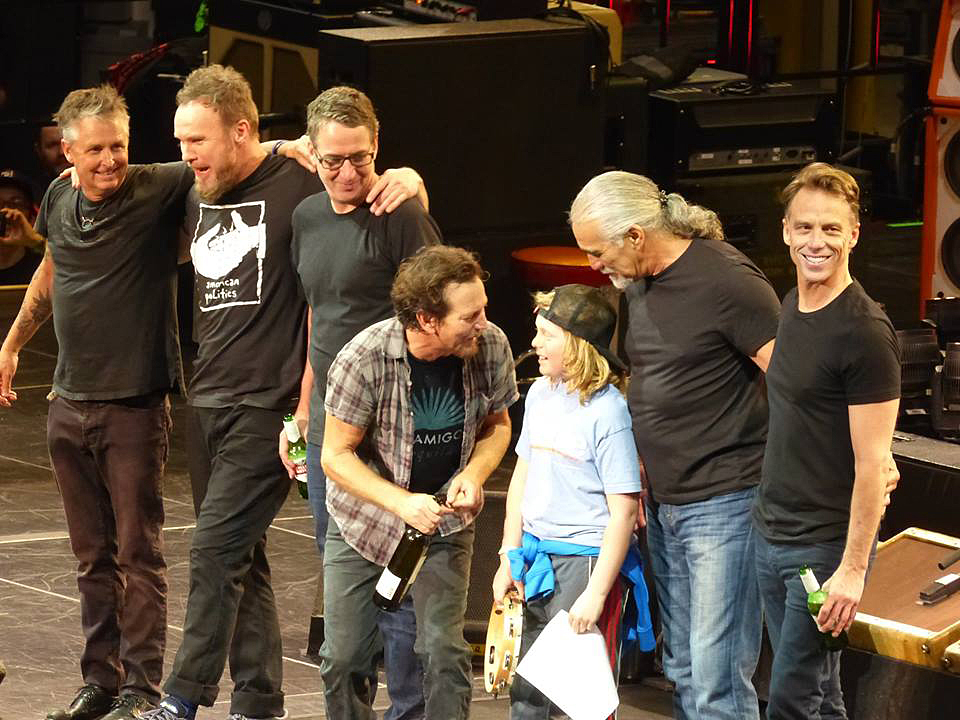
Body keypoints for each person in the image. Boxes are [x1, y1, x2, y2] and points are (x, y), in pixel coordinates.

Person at [145, 64, 427, 720]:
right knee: (242, 553)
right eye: (181, 142)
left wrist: (410, 178)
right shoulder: (205, 185)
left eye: (199, 141)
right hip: (218, 397)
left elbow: (365, 182)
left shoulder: (304, 182)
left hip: (272, 402)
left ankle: (181, 697)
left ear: (242, 131)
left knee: (215, 545)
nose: (188, 155)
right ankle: (259, 699)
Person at [0, 85, 190, 720]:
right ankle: (99, 681)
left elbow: (234, 157)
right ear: (69, 152)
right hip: (67, 402)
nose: (111, 160)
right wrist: (12, 343)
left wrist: (301, 146)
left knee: (139, 552)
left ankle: (140, 689)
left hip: (134, 405)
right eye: (97, 150)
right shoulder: (57, 197)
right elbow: (51, 269)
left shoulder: (158, 186)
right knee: (91, 557)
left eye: (120, 147)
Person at [569, 171, 781, 720]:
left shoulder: (727, 280)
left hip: (726, 502)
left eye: (598, 252)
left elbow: (790, 381)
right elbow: (647, 376)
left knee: (715, 678)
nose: (594, 266)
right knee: (683, 667)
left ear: (635, 235)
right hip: (665, 503)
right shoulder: (638, 285)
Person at [281, 85, 440, 720]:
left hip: (394, 433)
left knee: (398, 585)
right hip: (329, 433)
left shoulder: (400, 213)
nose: (349, 174)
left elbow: (440, 313)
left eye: (362, 159)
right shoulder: (307, 219)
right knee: (346, 583)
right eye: (334, 162)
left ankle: (409, 711)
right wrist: (302, 407)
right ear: (312, 155)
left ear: (378, 150)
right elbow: (321, 315)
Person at [319, 244, 518, 720]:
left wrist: (473, 472)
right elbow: (334, 456)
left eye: (483, 309)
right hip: (365, 524)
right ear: (427, 319)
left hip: (444, 527)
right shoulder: (364, 358)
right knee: (343, 660)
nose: (483, 323)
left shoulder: (489, 346)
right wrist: (402, 502)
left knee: (444, 654)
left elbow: (499, 426)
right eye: (470, 315)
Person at [752, 163, 900, 720]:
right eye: (806, 227)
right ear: (787, 231)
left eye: (832, 229)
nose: (817, 242)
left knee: (790, 702)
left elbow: (872, 463)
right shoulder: (791, 304)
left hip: (823, 551)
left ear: (854, 235)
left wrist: (854, 570)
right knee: (822, 698)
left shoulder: (864, 331)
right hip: (771, 535)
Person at [492, 283, 655, 720]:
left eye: (546, 334)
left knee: (577, 701)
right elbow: (521, 477)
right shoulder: (543, 394)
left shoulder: (608, 413)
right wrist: (510, 552)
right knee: (527, 694)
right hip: (536, 555)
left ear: (577, 345)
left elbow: (623, 512)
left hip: (582, 563)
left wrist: (596, 593)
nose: (534, 343)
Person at [0, 168, 43, 285]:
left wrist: (36, 241)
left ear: (32, 218)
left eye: (16, 204)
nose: (5, 211)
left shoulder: (44, 266)